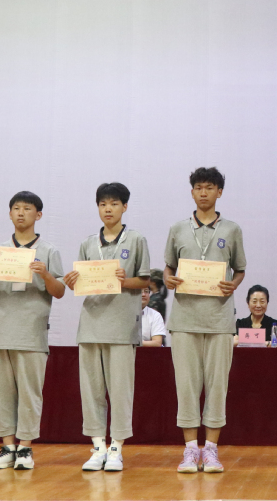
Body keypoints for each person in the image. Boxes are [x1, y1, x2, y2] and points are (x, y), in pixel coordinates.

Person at [61, 183, 151, 472]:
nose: (108, 209)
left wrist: (125, 280)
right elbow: (83, 284)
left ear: (125, 207)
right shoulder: (88, 243)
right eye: (103, 204)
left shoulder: (136, 239)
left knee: (121, 390)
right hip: (91, 325)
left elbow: (145, 280)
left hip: (122, 327)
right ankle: (98, 446)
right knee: (92, 390)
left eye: (113, 204)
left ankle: (117, 448)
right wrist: (73, 282)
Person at [0, 191, 65, 471]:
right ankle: (7, 447)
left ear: (39, 215)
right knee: (1, 392)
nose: (21, 213)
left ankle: (25, 447)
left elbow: (59, 291)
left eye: (27, 208)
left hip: (31, 332)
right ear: (10, 214)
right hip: (1, 330)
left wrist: (45, 274)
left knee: (29, 392)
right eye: (16, 208)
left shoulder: (48, 250)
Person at [163, 167, 246, 474]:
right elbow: (168, 267)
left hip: (219, 319)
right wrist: (168, 279)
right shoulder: (178, 228)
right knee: (186, 386)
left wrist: (233, 285)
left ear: (219, 192)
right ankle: (189, 450)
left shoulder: (232, 229)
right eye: (198, 187)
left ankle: (210, 450)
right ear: (192, 192)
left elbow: (240, 269)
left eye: (209, 187)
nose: (203, 192)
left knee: (217, 386)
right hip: (184, 319)